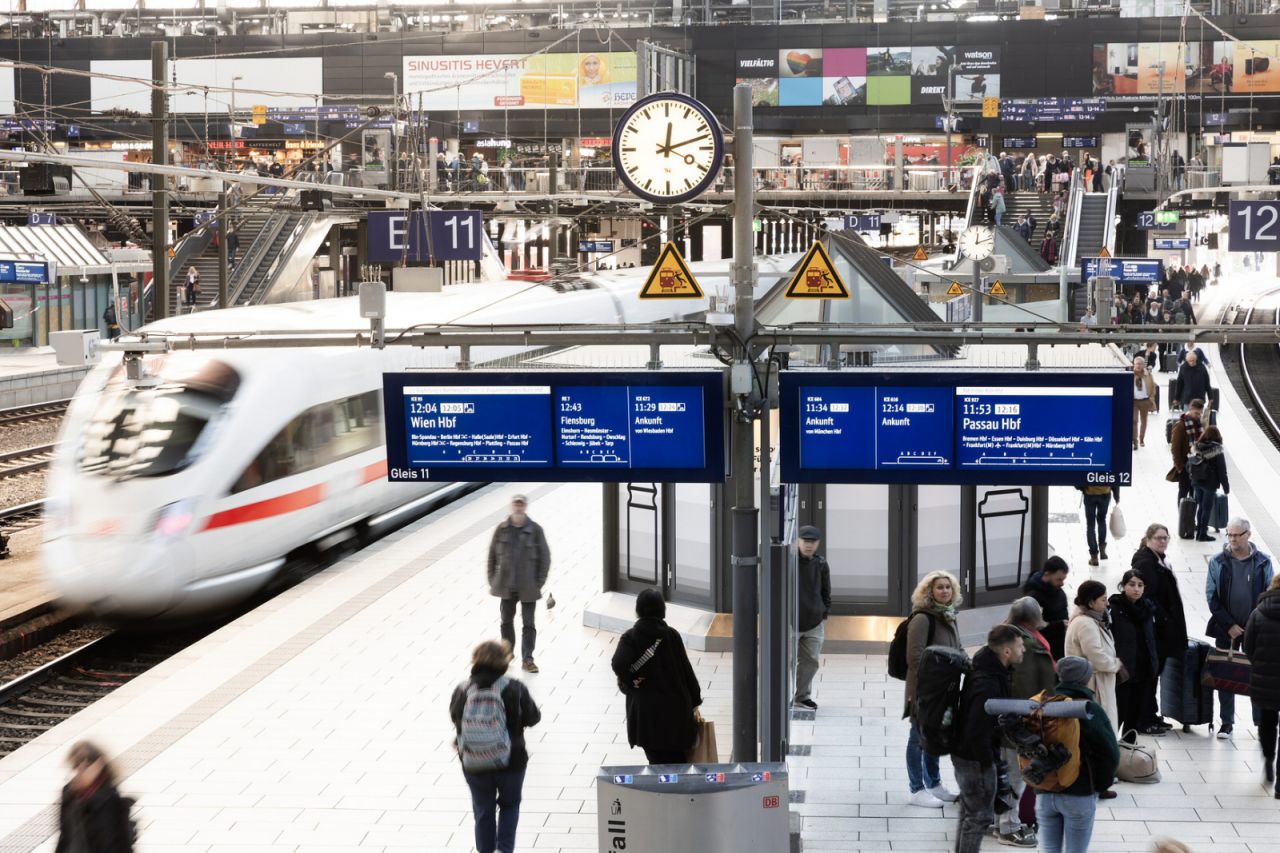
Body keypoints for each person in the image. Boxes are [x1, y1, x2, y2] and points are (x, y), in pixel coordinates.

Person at [450, 640, 542, 853]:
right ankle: (504, 849)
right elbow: (533, 717)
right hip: (512, 758)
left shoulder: (463, 689)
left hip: (474, 761)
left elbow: (455, 718)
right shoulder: (514, 688)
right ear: (504, 660)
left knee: (483, 810)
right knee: (510, 805)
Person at [951, 625, 1030, 851]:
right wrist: (988, 764)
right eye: (1020, 645)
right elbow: (977, 730)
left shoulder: (989, 667)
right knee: (979, 817)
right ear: (1006, 651)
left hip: (967, 753)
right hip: (974, 759)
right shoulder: (988, 683)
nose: (1023, 649)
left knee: (969, 813)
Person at [1035, 656, 1121, 853]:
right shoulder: (1090, 710)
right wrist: (1098, 787)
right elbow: (1111, 754)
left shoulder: (1044, 705)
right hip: (1079, 795)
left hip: (1046, 793)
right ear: (1085, 679)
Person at [611, 589, 703, 764]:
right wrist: (695, 700)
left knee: (657, 764)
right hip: (677, 715)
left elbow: (618, 663)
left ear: (638, 609)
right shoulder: (672, 636)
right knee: (678, 762)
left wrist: (631, 681)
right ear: (662, 609)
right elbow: (686, 671)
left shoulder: (631, 637)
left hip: (647, 718)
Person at [1207, 518, 1274, 740]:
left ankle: (1260, 721)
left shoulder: (1263, 561)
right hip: (1226, 628)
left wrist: (1254, 622)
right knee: (1226, 673)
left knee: (1258, 674)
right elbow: (1211, 596)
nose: (1233, 539)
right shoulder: (1218, 561)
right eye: (1230, 534)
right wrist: (1229, 624)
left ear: (1248, 534)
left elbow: (1269, 594)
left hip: (1256, 627)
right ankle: (1226, 722)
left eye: (1237, 534)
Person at [903, 570, 963, 808]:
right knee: (918, 735)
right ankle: (917, 789)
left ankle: (934, 783)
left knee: (935, 734)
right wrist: (934, 682)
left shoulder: (949, 616)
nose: (945, 591)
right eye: (940, 587)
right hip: (926, 690)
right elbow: (915, 658)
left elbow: (957, 648)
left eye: (948, 587)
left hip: (945, 689)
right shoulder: (922, 618)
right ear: (929, 591)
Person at [1000, 597, 1056, 846]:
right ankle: (1008, 827)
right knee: (1015, 774)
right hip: (1022, 721)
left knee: (1005, 772)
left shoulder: (1003, 636)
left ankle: (1001, 820)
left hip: (1005, 717)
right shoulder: (1030, 645)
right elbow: (1044, 686)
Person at [487, 494, 551, 673]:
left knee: (529, 624)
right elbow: (491, 556)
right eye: (515, 504)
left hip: (528, 587)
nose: (518, 508)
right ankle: (507, 654)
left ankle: (528, 659)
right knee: (506, 622)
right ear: (512, 506)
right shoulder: (502, 529)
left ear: (525, 507)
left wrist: (539, 582)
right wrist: (493, 580)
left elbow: (545, 558)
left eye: (521, 505)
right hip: (506, 587)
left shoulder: (535, 530)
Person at [1133, 523, 1185, 732]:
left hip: (1161, 628)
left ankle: (1151, 715)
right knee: (1150, 673)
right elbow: (1149, 595)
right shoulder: (1146, 562)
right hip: (1156, 630)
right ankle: (1144, 719)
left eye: (1165, 538)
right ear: (1148, 539)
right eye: (1158, 538)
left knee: (1154, 673)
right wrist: (1164, 619)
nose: (1163, 541)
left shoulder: (1158, 560)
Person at [1065, 581, 1123, 756]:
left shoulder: (1091, 620)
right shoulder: (1086, 624)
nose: (1107, 604)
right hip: (1094, 686)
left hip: (1097, 683)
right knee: (1100, 729)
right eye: (1103, 599)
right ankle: (1103, 767)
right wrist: (1116, 664)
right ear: (1091, 603)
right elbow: (1096, 656)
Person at [54, 740, 134, 853]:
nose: (80, 770)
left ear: (99, 765)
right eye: (76, 765)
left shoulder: (112, 801)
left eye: (86, 765)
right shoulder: (68, 794)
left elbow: (123, 844)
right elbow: (64, 836)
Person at [1109, 571, 1161, 739]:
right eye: (1132, 585)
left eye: (1140, 585)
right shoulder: (1114, 609)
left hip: (1143, 670)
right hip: (1122, 671)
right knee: (1118, 713)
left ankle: (1127, 752)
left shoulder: (1147, 608)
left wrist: (1154, 663)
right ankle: (1108, 754)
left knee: (1135, 716)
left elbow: (1152, 638)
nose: (1136, 589)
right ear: (1123, 586)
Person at [1244, 573, 1280, 795]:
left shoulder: (1258, 613)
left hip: (1264, 678)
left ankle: (1268, 757)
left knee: (1267, 721)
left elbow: (1248, 646)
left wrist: (1260, 664)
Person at [793, 525, 831, 711]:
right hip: (790, 621)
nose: (808, 545)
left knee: (811, 661)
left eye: (812, 542)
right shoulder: (788, 562)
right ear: (797, 541)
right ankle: (779, 696)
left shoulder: (821, 564)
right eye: (805, 541)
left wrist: (824, 612)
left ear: (818, 543)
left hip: (814, 622)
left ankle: (802, 697)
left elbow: (826, 591)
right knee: (786, 662)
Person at [1023, 556, 1071, 659]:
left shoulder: (1057, 589)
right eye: (1059, 579)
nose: (1062, 583)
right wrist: (1060, 625)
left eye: (1063, 579)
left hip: (1060, 646)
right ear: (1047, 574)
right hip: (1044, 651)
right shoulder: (1033, 597)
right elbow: (1032, 628)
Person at [1189, 425, 1229, 542]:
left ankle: (1200, 532)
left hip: (1197, 481)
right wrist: (1226, 487)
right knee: (1206, 508)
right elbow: (1222, 471)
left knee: (1200, 507)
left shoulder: (1197, 447)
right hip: (1209, 483)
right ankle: (1202, 534)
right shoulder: (1217, 450)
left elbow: (1190, 463)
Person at [1169, 399, 1206, 508]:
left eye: (1200, 413)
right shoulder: (1180, 425)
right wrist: (1180, 467)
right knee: (1183, 493)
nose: (1198, 416)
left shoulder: (1200, 424)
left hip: (1197, 465)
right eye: (1196, 413)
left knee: (1195, 494)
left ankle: (1191, 518)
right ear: (1190, 409)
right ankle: (1182, 517)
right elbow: (1175, 448)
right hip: (1185, 466)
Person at [1076, 482, 1119, 566]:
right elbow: (1114, 476)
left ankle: (1094, 556)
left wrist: (1082, 487)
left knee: (1090, 525)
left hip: (1089, 493)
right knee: (1102, 520)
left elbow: (1079, 477)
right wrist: (1116, 495)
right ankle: (1102, 550)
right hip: (1105, 493)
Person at [1132, 356, 1157, 448]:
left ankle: (1141, 439)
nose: (1138, 366)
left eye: (1140, 364)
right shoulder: (1131, 374)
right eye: (1136, 364)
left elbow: (1153, 387)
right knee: (1134, 421)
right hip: (1134, 401)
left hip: (1145, 401)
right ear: (1134, 364)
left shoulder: (1148, 375)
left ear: (1143, 365)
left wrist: (1151, 399)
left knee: (1144, 421)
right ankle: (1135, 441)